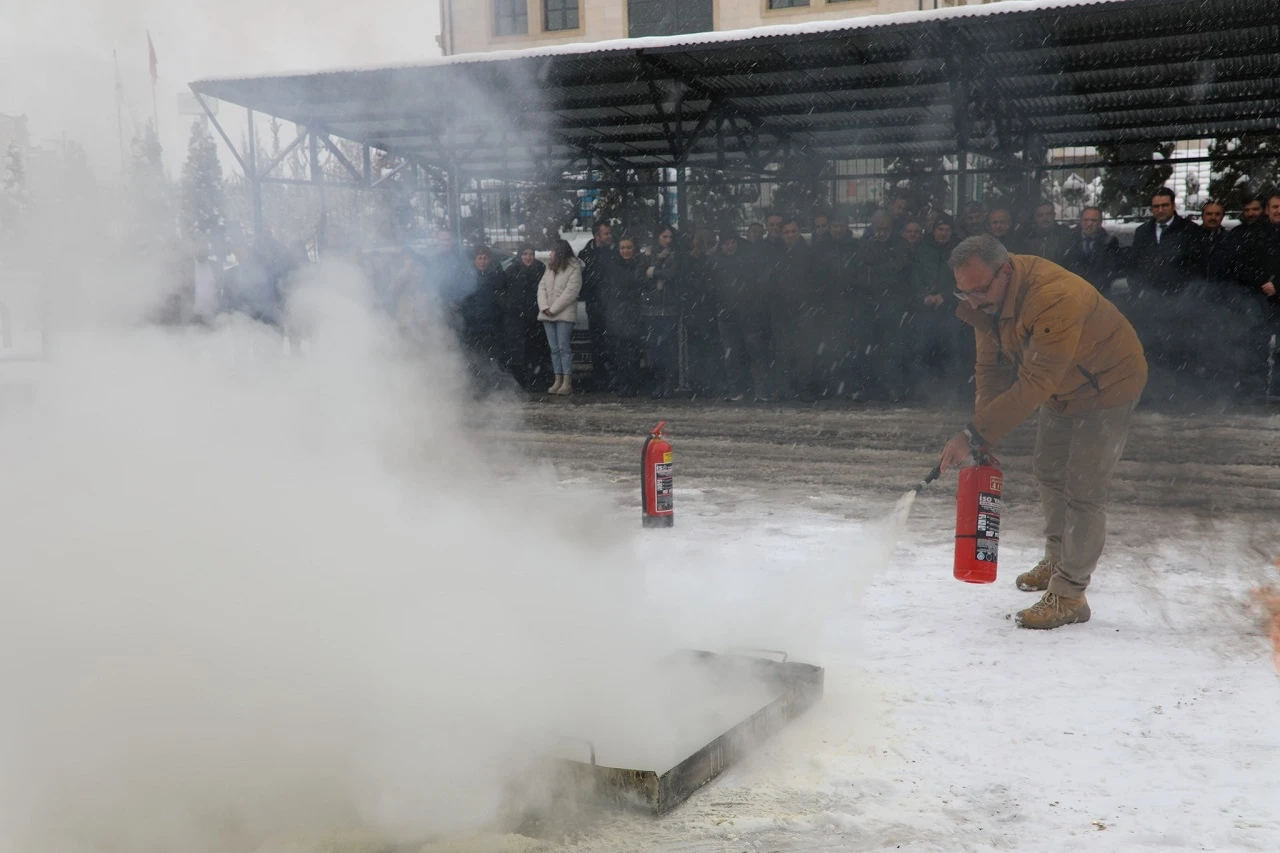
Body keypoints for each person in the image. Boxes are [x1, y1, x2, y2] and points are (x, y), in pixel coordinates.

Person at [939, 235, 1148, 630]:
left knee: (1084, 488)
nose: (972, 300)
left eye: (979, 290)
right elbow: (991, 371)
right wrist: (981, 436)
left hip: (1107, 384)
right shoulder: (986, 300)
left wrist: (970, 434)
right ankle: (1058, 558)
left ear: (1004, 272)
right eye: (963, 292)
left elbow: (1035, 382)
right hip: (1061, 387)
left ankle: (1070, 594)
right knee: (1049, 472)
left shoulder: (1053, 296)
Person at [711, 231, 771, 401]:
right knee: (732, 355)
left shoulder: (747, 261)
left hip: (748, 313)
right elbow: (712, 288)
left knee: (755, 352)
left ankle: (760, 391)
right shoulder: (716, 263)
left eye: (732, 242)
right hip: (728, 314)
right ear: (721, 246)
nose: (730, 247)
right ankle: (736, 390)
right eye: (726, 243)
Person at [768, 218, 820, 400]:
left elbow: (815, 282)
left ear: (799, 232)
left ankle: (804, 389)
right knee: (782, 351)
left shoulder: (809, 254)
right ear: (781, 234)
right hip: (781, 310)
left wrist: (807, 302)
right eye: (787, 232)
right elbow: (770, 280)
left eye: (793, 231)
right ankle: (783, 389)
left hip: (803, 309)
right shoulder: (775, 253)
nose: (790, 235)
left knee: (804, 352)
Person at [910, 214, 961, 382]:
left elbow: (963, 279)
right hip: (924, 309)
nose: (943, 233)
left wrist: (945, 296)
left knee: (952, 349)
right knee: (921, 349)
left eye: (947, 230)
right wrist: (924, 295)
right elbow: (914, 276)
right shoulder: (921, 249)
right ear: (933, 230)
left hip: (950, 308)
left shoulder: (959, 252)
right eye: (940, 229)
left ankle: (951, 391)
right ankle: (923, 389)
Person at [537, 240, 584, 396]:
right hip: (547, 313)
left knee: (563, 347)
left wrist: (554, 308)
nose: (550, 254)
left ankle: (566, 381)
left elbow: (571, 292)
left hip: (564, 314)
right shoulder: (550, 267)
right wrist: (544, 307)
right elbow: (541, 288)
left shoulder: (574, 268)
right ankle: (557, 379)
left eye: (552, 251)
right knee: (554, 349)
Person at [607, 237, 651, 397]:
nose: (626, 251)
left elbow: (641, 286)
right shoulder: (614, 266)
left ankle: (633, 384)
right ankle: (623, 383)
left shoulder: (638, 266)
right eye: (623, 248)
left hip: (634, 313)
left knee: (633, 352)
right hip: (617, 314)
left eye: (629, 248)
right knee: (620, 352)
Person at [578, 221, 618, 389]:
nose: (609, 236)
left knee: (614, 340)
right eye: (606, 233)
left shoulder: (615, 253)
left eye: (609, 233)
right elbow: (583, 280)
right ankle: (599, 376)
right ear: (597, 236)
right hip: (594, 304)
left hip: (613, 304)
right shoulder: (585, 254)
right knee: (597, 341)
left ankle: (615, 375)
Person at [504, 245, 550, 390]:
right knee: (518, 354)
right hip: (516, 318)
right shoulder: (511, 271)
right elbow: (502, 293)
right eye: (525, 254)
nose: (528, 257)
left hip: (536, 318)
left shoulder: (541, 270)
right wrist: (510, 306)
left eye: (531, 254)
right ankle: (520, 383)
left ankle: (537, 382)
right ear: (519, 255)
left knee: (536, 351)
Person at [646, 226, 683, 396]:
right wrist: (656, 266)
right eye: (664, 237)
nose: (668, 240)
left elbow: (672, 274)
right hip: (652, 307)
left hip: (669, 307)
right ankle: (657, 383)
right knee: (654, 347)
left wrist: (654, 272)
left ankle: (669, 383)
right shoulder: (649, 254)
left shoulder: (675, 255)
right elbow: (641, 274)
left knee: (669, 346)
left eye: (670, 237)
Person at [1060, 207, 1122, 294]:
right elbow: (1065, 264)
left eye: (1093, 220)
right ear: (1081, 221)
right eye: (1086, 220)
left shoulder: (1110, 242)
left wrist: (1095, 285)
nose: (1089, 224)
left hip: (1099, 290)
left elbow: (1112, 268)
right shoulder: (1069, 240)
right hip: (1073, 288)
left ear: (1100, 223)